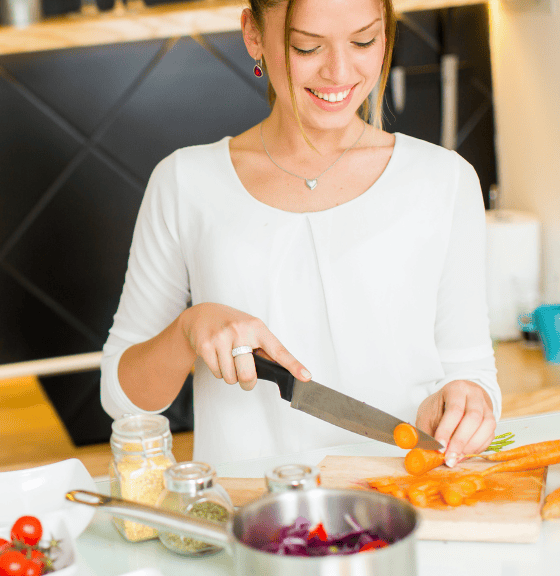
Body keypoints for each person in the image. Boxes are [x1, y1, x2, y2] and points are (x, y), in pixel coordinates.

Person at [100, 0, 499, 469]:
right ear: (253, 35)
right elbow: (122, 399)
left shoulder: (444, 180)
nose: (339, 70)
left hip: (406, 500)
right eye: (307, 46)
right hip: (252, 521)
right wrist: (190, 329)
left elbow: (471, 373)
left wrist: (464, 402)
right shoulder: (185, 182)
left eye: (364, 41)